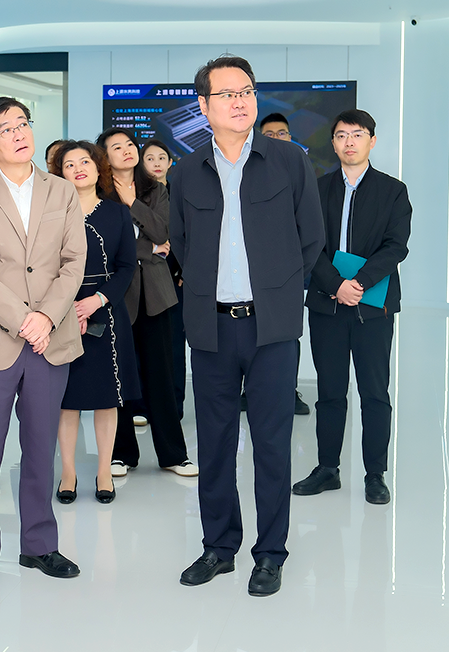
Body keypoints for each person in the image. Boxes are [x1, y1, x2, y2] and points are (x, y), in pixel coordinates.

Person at [170, 54, 324, 597]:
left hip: (271, 329)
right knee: (214, 444)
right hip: (211, 328)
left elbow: (311, 237)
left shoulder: (288, 161)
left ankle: (270, 553)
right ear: (204, 105)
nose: (240, 102)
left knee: (271, 445)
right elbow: (182, 244)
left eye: (247, 91)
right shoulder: (185, 171)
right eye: (227, 94)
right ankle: (218, 547)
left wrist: (278, 291)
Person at [0, 97, 86, 593]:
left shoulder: (61, 190)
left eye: (23, 123)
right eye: (5, 129)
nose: (19, 133)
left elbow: (73, 262)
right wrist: (24, 320)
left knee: (40, 447)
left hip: (52, 338)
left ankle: (39, 544)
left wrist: (46, 316)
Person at [293, 109, 411, 505]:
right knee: (330, 391)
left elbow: (396, 246)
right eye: (342, 135)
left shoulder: (393, 191)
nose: (349, 142)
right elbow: (309, 243)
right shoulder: (317, 189)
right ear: (333, 142)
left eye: (357, 135)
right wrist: (335, 285)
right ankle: (328, 468)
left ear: (371, 141)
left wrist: (357, 284)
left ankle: (375, 474)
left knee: (375, 393)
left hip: (371, 306)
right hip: (327, 304)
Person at [97, 128, 197, 478]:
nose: (127, 150)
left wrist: (133, 203)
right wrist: (151, 249)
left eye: (130, 144)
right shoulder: (99, 193)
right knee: (119, 376)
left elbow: (165, 231)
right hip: (117, 294)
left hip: (156, 294)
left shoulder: (156, 189)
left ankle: (174, 454)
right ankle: (122, 453)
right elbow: (108, 244)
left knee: (162, 377)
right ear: (104, 157)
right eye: (117, 147)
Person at [49, 140, 140, 504]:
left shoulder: (117, 213)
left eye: (84, 162)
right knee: (66, 399)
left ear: (97, 167)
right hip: (61, 311)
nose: (78, 169)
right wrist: (69, 308)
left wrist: (96, 301)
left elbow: (127, 267)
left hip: (107, 311)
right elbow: (44, 268)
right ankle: (68, 472)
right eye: (69, 165)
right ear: (60, 174)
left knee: (107, 398)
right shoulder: (51, 214)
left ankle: (104, 471)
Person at [256, 113, 312, 416]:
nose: (277, 138)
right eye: (270, 134)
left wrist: (296, 271)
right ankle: (251, 391)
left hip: (289, 272)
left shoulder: (301, 170)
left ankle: (289, 391)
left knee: (287, 336)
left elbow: (311, 231)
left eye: (282, 133)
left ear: (291, 137)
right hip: (252, 274)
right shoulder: (247, 171)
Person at [141, 140, 188, 417]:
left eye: (162, 157)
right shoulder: (135, 196)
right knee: (146, 344)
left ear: (171, 163)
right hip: (144, 276)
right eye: (150, 158)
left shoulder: (181, 195)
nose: (157, 163)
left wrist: (185, 269)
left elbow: (193, 235)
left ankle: (174, 405)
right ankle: (143, 406)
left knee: (174, 344)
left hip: (175, 278)